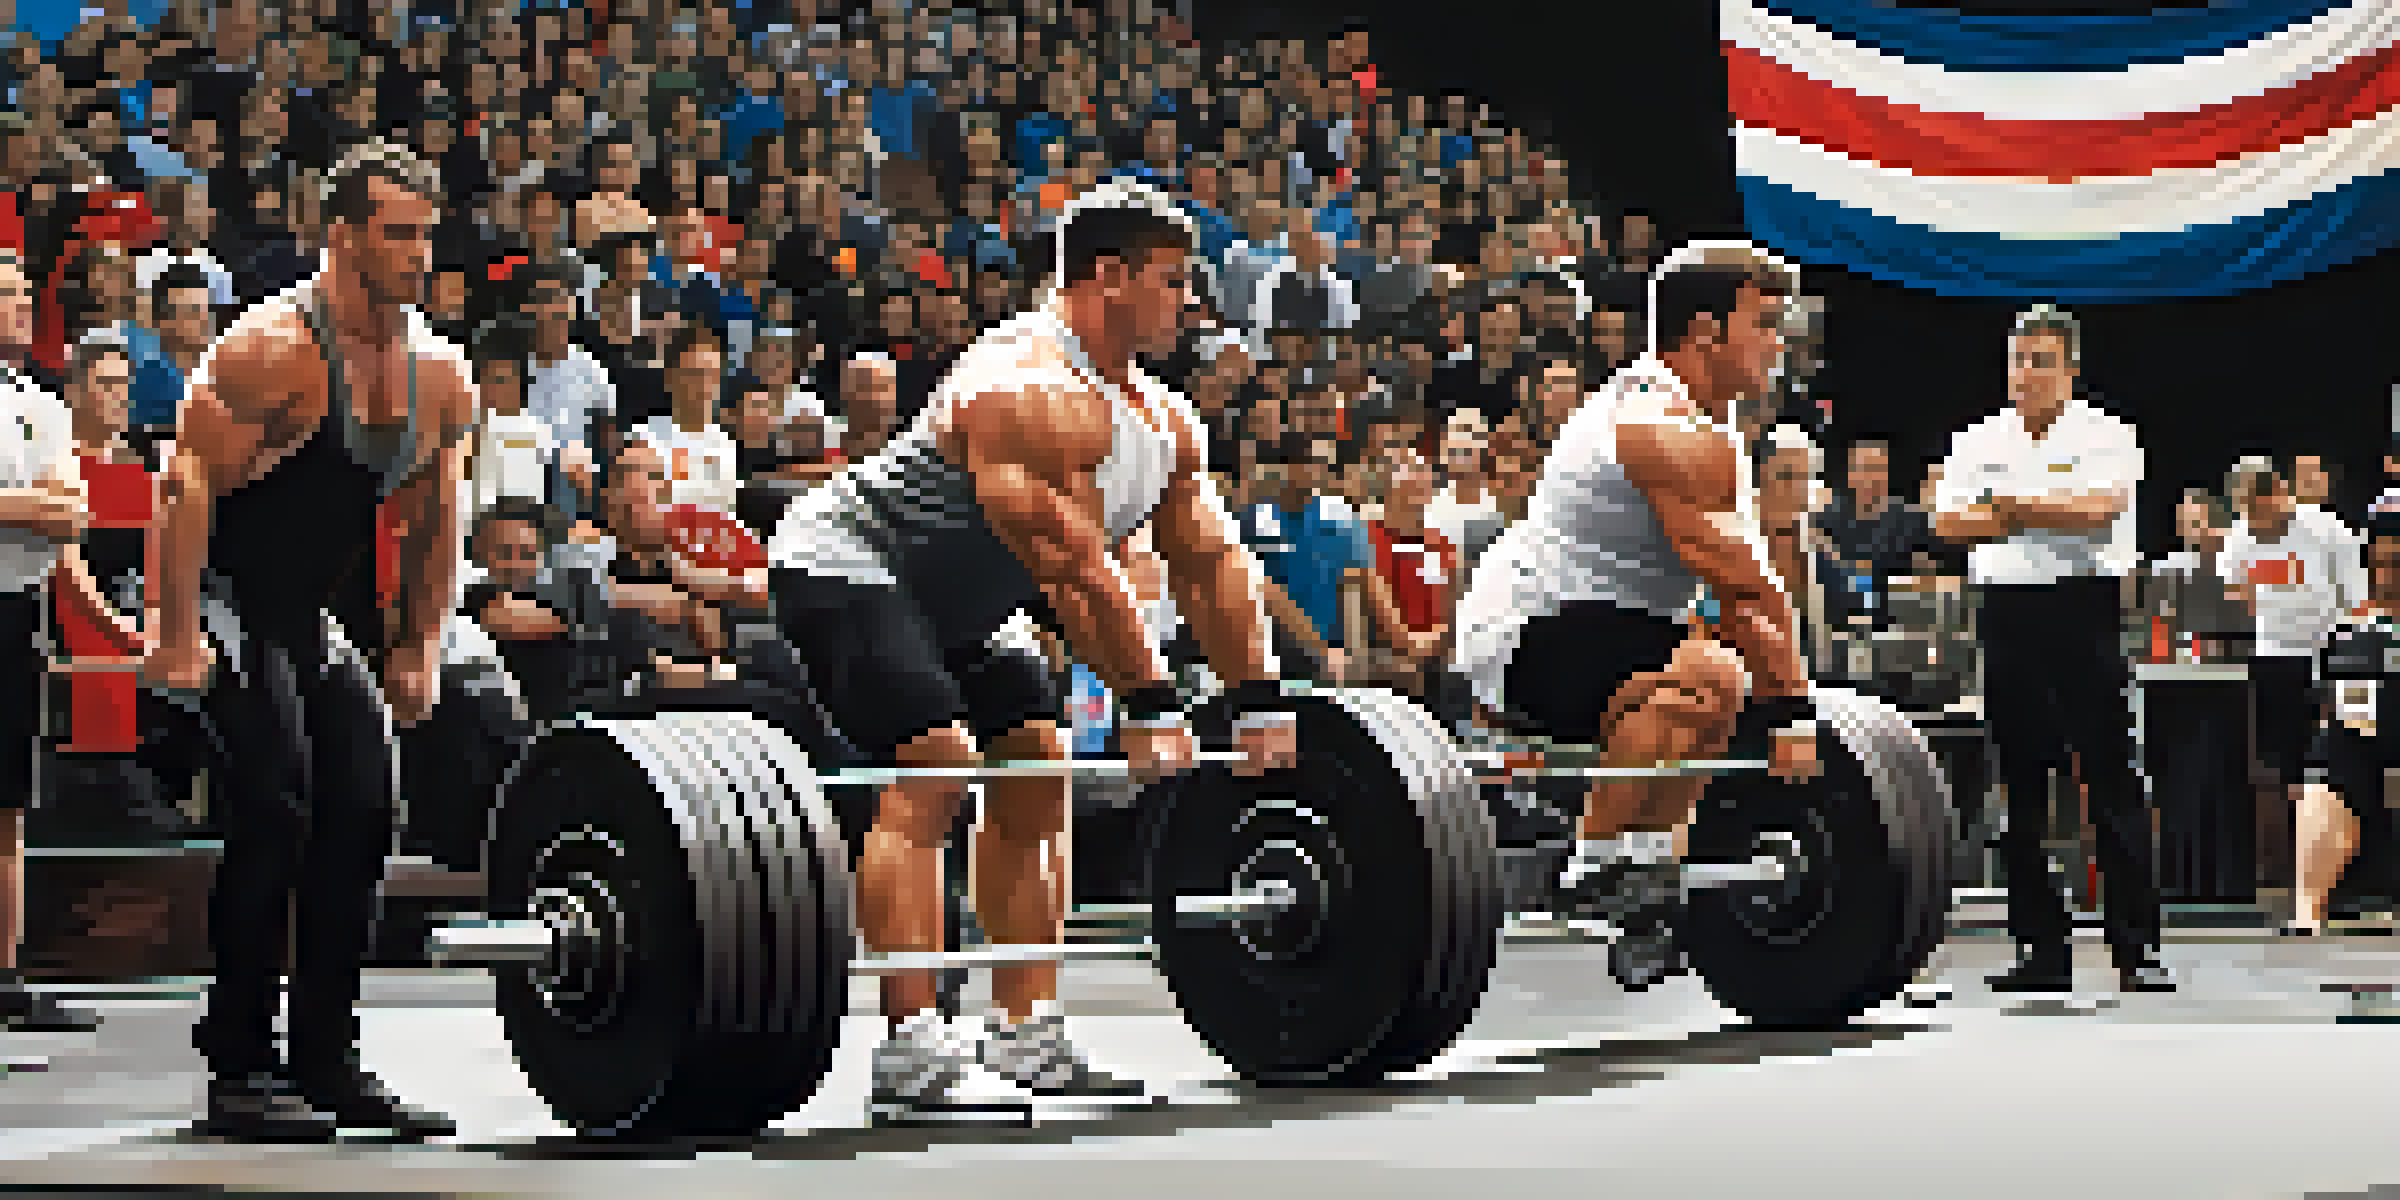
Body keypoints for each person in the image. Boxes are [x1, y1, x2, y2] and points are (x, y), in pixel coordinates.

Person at [765, 181, 1290, 1124]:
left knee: (1037, 767)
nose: (1190, 302)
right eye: (1172, 281)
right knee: (937, 763)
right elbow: (1073, 571)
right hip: (851, 564)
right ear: (1109, 276)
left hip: (967, 602)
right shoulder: (1023, 384)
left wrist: (1257, 699)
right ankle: (911, 1053)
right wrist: (1151, 705)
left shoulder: (1161, 419)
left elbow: (1211, 565)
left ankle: (1024, 1031)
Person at [144, 142, 465, 1140]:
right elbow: (184, 482)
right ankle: (239, 1064)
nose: (418, 254)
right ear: (344, 236)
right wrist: (177, 632)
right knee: (276, 797)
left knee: (366, 801)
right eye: (397, 234)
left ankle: (326, 1058)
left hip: (303, 617)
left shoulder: (437, 375)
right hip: (227, 597)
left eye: (426, 234)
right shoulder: (271, 348)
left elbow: (436, 517)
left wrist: (418, 646)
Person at [1451, 241, 1821, 993]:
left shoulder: (1713, 427)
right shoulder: (1656, 425)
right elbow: (1744, 590)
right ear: (1705, 331)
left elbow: (1752, 588)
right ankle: (1594, 864)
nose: (1778, 342)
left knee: (1714, 688)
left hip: (1621, 628)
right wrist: (1793, 713)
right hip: (1526, 630)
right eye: (1763, 323)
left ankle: (1646, 878)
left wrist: (1782, 695)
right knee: (1712, 674)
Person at [1930, 304, 2171, 994]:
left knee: (2112, 782)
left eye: (2041, 361)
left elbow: (2098, 511)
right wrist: (2043, 507)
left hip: (2083, 610)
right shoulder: (1977, 438)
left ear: (2069, 369)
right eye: (2018, 360)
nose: (2027, 374)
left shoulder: (2106, 433)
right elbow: (1948, 522)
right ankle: (2040, 950)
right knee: (2021, 791)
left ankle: (2137, 951)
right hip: (2007, 614)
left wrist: (2006, 508)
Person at [0, 250, 103, 1031]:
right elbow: (49, 507)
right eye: (5, 295)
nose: (21, 306)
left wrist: (26, 506)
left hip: (18, 609)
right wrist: (31, 504)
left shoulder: (43, 403)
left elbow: (72, 515)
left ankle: (4, 975)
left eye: (24, 294)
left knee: (8, 802)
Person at [2221, 455, 2368, 933]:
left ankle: (2348, 884)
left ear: (2280, 495)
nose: (2256, 523)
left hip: (2331, 653)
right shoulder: (2239, 536)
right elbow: (2234, 590)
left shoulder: (2327, 530)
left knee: (2337, 764)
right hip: (2275, 656)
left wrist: (2351, 653)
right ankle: (2302, 880)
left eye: (2262, 510)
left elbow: (2356, 597)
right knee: (2287, 771)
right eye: (2247, 513)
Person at [2298, 520, 2400, 931]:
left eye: (2396, 563)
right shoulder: (2352, 625)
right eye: (2378, 564)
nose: (2386, 575)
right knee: (2334, 749)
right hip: (2371, 727)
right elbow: (2342, 695)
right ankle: (2309, 909)